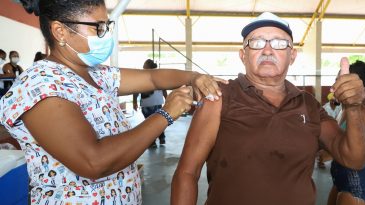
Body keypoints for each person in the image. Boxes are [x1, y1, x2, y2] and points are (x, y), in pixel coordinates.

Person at [0, 0, 227, 204]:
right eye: (97, 27)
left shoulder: (96, 74)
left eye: (106, 26)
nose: (105, 35)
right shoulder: (40, 86)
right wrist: (165, 115)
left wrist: (194, 77)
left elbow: (152, 77)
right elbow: (93, 162)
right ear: (60, 31)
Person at [171, 12, 365, 205]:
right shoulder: (219, 96)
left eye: (279, 43)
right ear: (243, 55)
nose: (267, 50)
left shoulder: (308, 104)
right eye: (256, 42)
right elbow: (187, 173)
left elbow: (353, 159)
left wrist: (353, 107)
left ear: (292, 56)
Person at [327, 60, 365, 205]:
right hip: (340, 178)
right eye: (336, 80)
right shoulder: (343, 109)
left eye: (341, 82)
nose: (334, 86)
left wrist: (345, 153)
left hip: (356, 184)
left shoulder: (363, 115)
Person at [133, 59, 168, 148]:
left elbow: (136, 89)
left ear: (147, 66)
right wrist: (167, 99)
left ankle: (152, 142)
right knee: (159, 121)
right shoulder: (159, 75)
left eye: (144, 65)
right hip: (157, 102)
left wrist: (134, 102)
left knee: (149, 123)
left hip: (147, 103)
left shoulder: (141, 76)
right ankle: (161, 137)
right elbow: (164, 89)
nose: (143, 67)